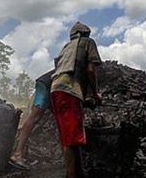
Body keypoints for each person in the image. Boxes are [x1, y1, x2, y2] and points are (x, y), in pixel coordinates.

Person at [51, 22, 102, 178]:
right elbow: (90, 71)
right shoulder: (88, 42)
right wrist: (95, 94)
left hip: (55, 90)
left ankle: (75, 173)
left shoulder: (66, 48)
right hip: (69, 91)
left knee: (68, 140)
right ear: (86, 34)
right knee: (72, 141)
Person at [9, 70, 54, 169]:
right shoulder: (92, 68)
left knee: (34, 117)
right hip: (46, 85)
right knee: (34, 117)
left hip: (46, 84)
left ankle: (20, 153)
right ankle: (17, 154)